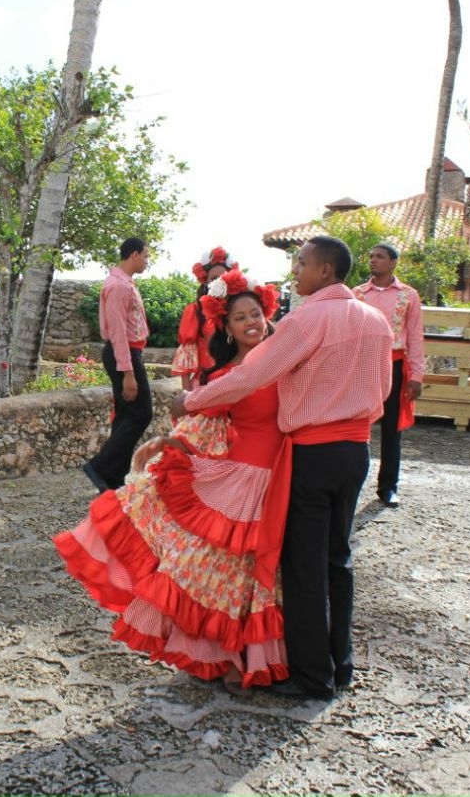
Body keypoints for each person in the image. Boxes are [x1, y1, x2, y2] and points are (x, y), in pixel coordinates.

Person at [172, 236, 393, 700]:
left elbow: (251, 375)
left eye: (302, 262)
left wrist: (191, 401)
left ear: (325, 270)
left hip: (312, 451)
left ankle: (312, 677)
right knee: (338, 558)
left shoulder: (305, 320)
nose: (295, 270)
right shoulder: (376, 320)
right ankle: (341, 664)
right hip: (356, 451)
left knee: (303, 566)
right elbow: (384, 389)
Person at [57, 271, 290, 689]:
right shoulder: (228, 375)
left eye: (256, 314)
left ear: (267, 314)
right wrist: (166, 442)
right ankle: (227, 657)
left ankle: (246, 656)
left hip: (277, 476)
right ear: (227, 327)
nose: (251, 323)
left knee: (254, 574)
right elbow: (205, 428)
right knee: (220, 572)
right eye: (240, 318)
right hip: (244, 481)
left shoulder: (284, 359)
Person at [352, 243, 425, 508]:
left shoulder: (408, 296)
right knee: (356, 425)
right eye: (371, 256)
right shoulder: (357, 294)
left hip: (394, 365)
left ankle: (388, 487)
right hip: (364, 366)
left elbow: (415, 336)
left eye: (380, 257)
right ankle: (352, 483)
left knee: (392, 429)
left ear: (393, 262)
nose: (373, 260)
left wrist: (416, 376)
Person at [81, 237, 152, 492]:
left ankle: (113, 479)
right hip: (125, 353)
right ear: (134, 255)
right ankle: (100, 468)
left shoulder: (122, 283)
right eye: (145, 256)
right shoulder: (119, 286)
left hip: (126, 353)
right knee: (141, 413)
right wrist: (128, 373)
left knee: (126, 415)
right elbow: (118, 332)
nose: (147, 261)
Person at [171, 247, 235, 391]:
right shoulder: (195, 311)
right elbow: (186, 359)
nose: (219, 282)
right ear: (205, 281)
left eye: (224, 277)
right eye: (214, 278)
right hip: (204, 386)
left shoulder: (238, 310)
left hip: (234, 385)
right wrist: (188, 396)